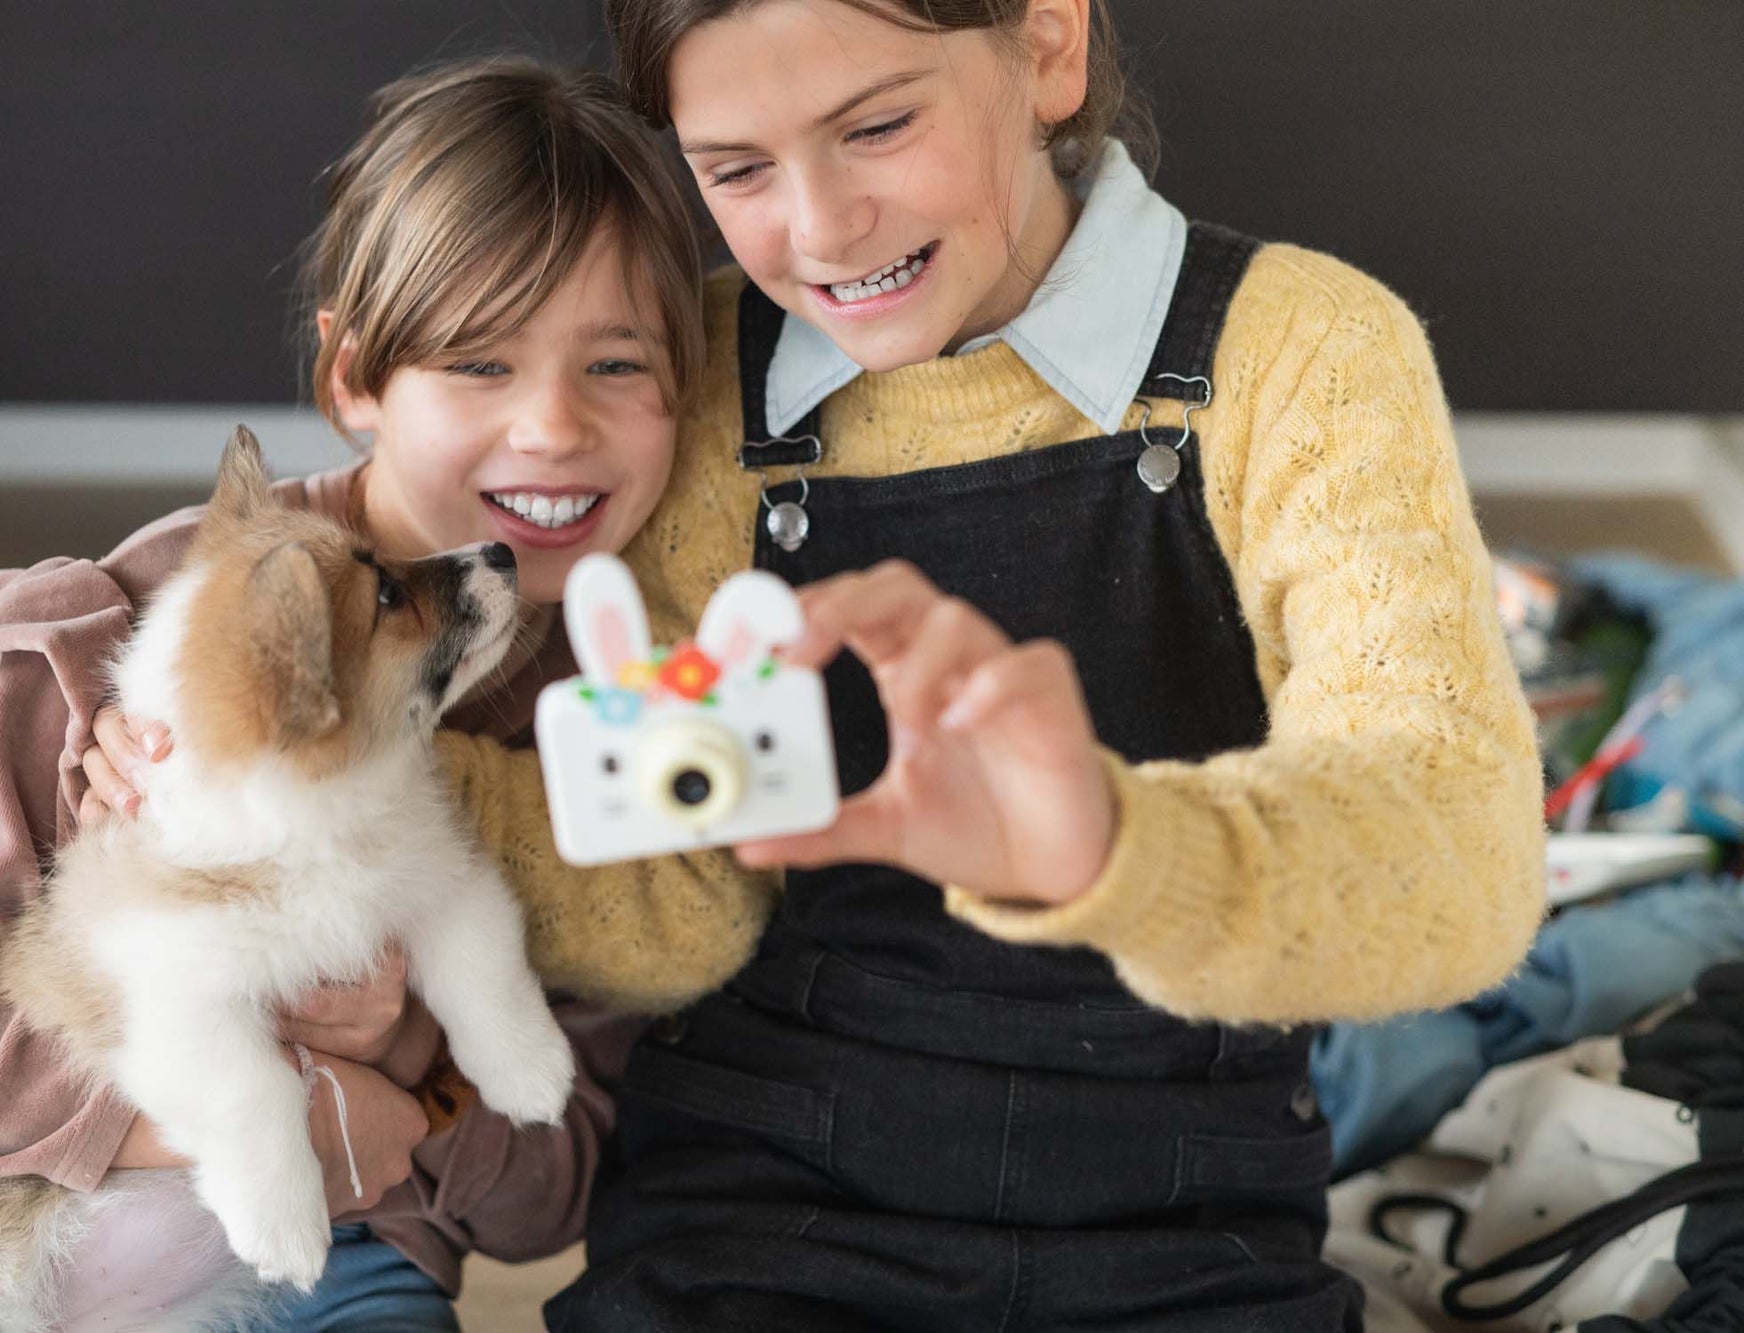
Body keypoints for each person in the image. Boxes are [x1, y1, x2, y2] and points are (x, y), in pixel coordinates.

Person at [416, 1, 1545, 1327]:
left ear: (1051, 47)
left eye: (880, 125)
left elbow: (1461, 861)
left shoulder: (1302, 351)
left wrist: (1112, 848)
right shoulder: (695, 379)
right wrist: (370, 799)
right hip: (759, 1207)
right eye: (736, 169)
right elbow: (679, 910)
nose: (823, 228)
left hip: (1180, 1224)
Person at [0, 56, 715, 1332]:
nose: (549, 427)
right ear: (354, 377)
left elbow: (556, 1184)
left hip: (341, 1267)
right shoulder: (103, 644)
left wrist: (406, 1054)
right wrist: (218, 1124)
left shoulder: (627, 717)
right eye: (478, 363)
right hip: (8, 1231)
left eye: (614, 363)